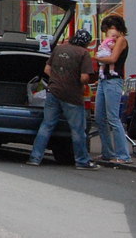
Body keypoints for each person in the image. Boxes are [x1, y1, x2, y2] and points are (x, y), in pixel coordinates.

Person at [27, 29, 98, 169]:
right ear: (86, 43)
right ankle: (82, 161)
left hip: (53, 92)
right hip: (72, 95)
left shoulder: (59, 48)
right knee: (77, 130)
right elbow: (84, 77)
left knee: (47, 125)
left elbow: (47, 69)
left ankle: (35, 158)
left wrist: (57, 78)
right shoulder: (83, 54)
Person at [94, 15, 132, 164]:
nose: (108, 34)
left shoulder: (121, 40)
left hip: (114, 81)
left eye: (108, 30)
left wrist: (98, 58)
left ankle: (123, 155)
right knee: (99, 117)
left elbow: (113, 59)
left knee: (113, 118)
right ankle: (107, 152)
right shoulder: (110, 41)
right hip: (104, 80)